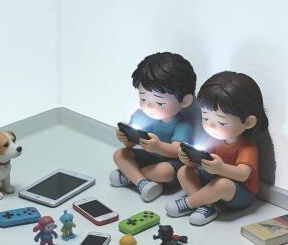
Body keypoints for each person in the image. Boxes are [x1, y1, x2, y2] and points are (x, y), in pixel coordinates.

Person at [165, 71, 268, 226]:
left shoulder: (247, 146)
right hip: (214, 180)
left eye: (222, 122)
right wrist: (189, 159)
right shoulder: (214, 140)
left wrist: (221, 168)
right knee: (183, 171)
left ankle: (190, 203)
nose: (211, 126)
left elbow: (243, 175)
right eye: (206, 118)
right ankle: (206, 207)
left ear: (248, 122)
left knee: (223, 184)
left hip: (239, 192)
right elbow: (202, 161)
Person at [110, 52, 196, 202]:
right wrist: (125, 137)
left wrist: (158, 147)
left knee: (164, 172)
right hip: (148, 158)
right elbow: (130, 145)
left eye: (160, 102)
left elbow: (178, 151)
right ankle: (143, 183)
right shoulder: (141, 115)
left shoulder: (183, 124)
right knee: (120, 154)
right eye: (143, 98)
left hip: (170, 163)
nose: (148, 106)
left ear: (185, 101)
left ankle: (130, 176)